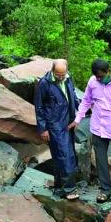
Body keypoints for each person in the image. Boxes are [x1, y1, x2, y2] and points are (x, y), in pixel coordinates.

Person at [68, 59, 111, 203]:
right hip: (98, 127)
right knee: (100, 160)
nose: (99, 79)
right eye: (96, 76)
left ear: (108, 71)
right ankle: (105, 190)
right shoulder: (93, 82)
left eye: (101, 76)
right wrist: (77, 119)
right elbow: (86, 101)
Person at [34, 59, 80, 200]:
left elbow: (72, 95)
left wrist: (81, 110)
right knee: (64, 155)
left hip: (69, 122)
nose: (61, 77)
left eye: (63, 74)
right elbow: (39, 107)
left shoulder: (68, 78)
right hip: (54, 124)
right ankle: (69, 189)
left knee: (64, 154)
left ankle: (60, 185)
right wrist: (43, 129)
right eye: (58, 74)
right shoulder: (44, 83)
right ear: (53, 71)